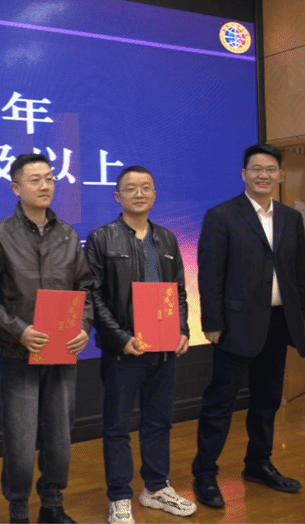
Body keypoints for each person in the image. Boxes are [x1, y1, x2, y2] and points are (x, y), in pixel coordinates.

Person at [0, 153, 93, 524]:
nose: (45, 186)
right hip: (18, 355)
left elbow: (86, 288)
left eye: (50, 178)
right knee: (21, 443)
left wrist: (84, 326)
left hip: (61, 355)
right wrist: (18, 330)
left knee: (60, 439)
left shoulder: (68, 235)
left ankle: (52, 506)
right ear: (16, 187)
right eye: (35, 180)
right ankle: (18, 510)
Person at [191, 143, 305, 508]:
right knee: (220, 402)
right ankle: (204, 474)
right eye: (256, 169)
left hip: (278, 322)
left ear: (280, 175)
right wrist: (212, 322)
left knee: (267, 399)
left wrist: (297, 317)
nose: (263, 175)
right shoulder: (222, 216)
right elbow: (210, 275)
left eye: (270, 169)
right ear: (244, 174)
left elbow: (298, 274)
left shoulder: (290, 218)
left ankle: (258, 463)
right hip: (235, 325)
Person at [84, 166, 196, 524]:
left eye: (146, 187)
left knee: (159, 421)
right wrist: (120, 338)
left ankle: (156, 487)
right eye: (130, 188)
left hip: (163, 348)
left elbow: (178, 291)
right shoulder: (102, 238)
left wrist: (182, 329)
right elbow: (93, 296)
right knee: (117, 426)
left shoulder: (167, 239)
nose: (139, 194)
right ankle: (119, 496)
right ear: (118, 196)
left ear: (154, 194)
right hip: (124, 350)